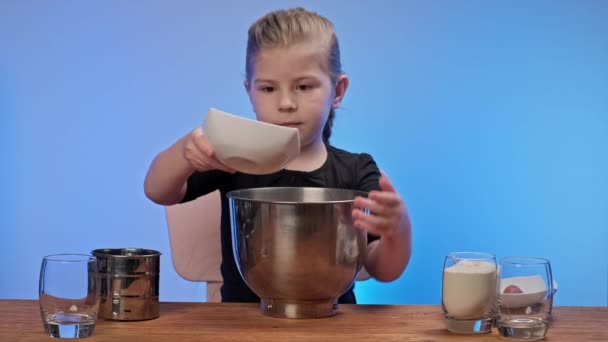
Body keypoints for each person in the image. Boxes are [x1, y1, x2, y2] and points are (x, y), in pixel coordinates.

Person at [144, 7, 412, 303]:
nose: (285, 103)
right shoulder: (234, 159)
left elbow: (382, 269)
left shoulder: (356, 170)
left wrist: (398, 230)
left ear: (337, 91)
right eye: (269, 88)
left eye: (304, 86)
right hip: (242, 325)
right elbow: (158, 190)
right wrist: (184, 153)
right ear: (250, 91)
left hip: (335, 326)